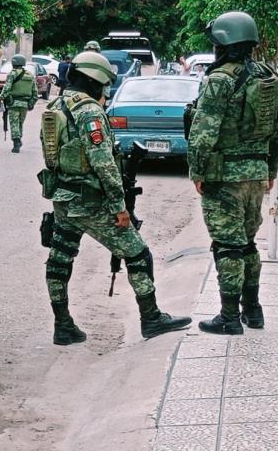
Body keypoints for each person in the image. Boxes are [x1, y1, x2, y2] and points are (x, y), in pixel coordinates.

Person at [38, 51, 192, 344]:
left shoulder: (57, 105)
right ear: (97, 81)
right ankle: (151, 318)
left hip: (63, 196)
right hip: (91, 201)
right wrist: (119, 207)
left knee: (59, 258)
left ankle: (63, 325)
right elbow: (103, 164)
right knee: (138, 254)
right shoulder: (90, 112)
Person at [187, 11, 278, 335]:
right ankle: (253, 311)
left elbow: (203, 130)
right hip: (256, 174)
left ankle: (229, 317)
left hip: (224, 176)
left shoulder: (220, 80)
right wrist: (270, 169)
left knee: (227, 245)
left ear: (223, 43)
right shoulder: (268, 77)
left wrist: (197, 170)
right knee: (247, 243)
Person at [0, 54, 36, 153]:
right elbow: (35, 92)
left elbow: (7, 88)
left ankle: (16, 142)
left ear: (14, 62)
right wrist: (31, 103)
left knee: (14, 123)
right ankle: (18, 139)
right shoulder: (30, 75)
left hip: (13, 103)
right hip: (25, 104)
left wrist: (0, 98)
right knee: (20, 123)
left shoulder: (12, 74)